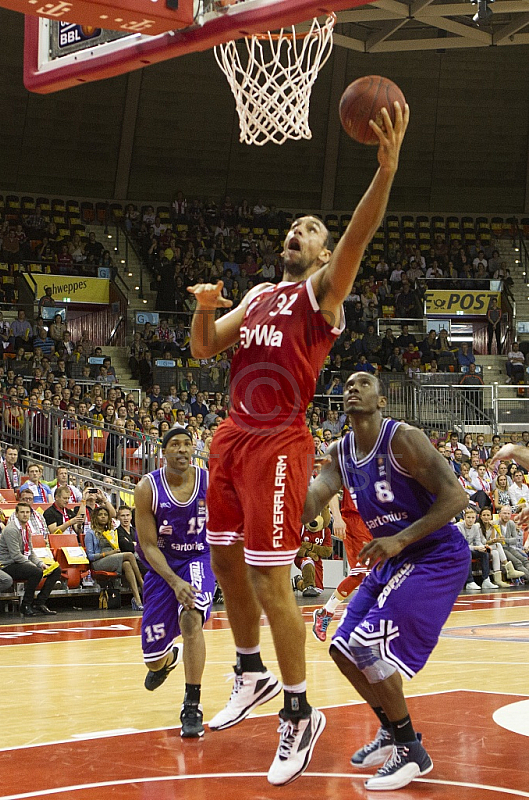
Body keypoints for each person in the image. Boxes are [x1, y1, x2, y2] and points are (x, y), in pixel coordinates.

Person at [187, 103, 409, 785]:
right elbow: (203, 350)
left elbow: (359, 240)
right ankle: (250, 670)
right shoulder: (255, 295)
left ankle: (298, 712)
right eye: (293, 228)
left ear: (320, 252)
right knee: (224, 563)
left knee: (270, 579)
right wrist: (202, 305)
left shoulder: (322, 293)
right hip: (230, 435)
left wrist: (385, 170)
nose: (297, 233)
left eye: (309, 230)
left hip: (280, 442)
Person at [302, 371, 469, 791]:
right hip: (393, 557)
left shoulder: (403, 438)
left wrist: (401, 538)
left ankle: (411, 748)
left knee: (367, 647)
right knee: (342, 649)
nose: (352, 388)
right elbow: (310, 506)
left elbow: (457, 497)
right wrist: (275, 479)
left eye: (363, 383)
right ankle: (394, 731)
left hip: (436, 555)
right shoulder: (340, 452)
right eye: (347, 385)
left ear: (381, 401)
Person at [134, 428, 215, 738]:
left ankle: (192, 704)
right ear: (163, 451)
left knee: (192, 618)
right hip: (163, 564)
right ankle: (167, 660)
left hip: (200, 558)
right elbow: (149, 546)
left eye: (187, 444)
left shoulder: (209, 480)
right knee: (153, 661)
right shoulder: (147, 488)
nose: (182, 449)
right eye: (175, 445)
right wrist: (174, 581)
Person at [312, 488, 371, 642]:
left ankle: (326, 612)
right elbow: (330, 489)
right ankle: (335, 615)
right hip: (354, 521)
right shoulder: (346, 464)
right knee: (362, 573)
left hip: (376, 521)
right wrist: (337, 518)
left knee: (377, 574)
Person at [0, 501, 61, 616]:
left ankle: (40, 603)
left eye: (27, 512)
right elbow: (15, 555)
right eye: (22, 512)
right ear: (16, 514)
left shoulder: (26, 528)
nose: (25, 515)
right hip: (8, 565)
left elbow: (31, 552)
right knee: (35, 572)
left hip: (22, 562)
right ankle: (26, 605)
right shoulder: (11, 529)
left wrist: (40, 563)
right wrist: (33, 566)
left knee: (56, 570)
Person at [85, 506, 144, 610]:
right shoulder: (90, 533)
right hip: (98, 562)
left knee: (127, 564)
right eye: (100, 515)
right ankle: (143, 586)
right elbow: (90, 556)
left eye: (105, 515)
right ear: (95, 517)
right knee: (129, 555)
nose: (103, 517)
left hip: (113, 558)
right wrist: (109, 553)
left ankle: (137, 599)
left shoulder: (112, 531)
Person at [456, 507, 498, 591]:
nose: (470, 520)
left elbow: (478, 541)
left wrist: (483, 547)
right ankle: (469, 582)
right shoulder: (458, 527)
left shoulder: (476, 527)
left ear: (476, 518)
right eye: (468, 517)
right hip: (457, 550)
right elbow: (461, 545)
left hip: (470, 549)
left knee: (485, 552)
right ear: (464, 518)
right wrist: (476, 547)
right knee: (467, 553)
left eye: (473, 518)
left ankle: (486, 580)